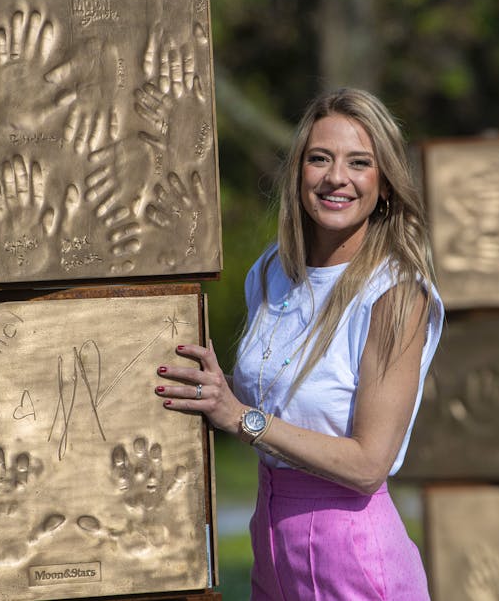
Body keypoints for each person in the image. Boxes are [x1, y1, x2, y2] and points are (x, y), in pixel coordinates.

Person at [154, 87, 444, 600]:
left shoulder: (395, 292)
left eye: (360, 162)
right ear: (298, 172)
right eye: (320, 159)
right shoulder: (271, 271)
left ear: (386, 185)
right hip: (271, 543)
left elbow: (367, 464)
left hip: (353, 556)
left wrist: (242, 418)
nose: (337, 177)